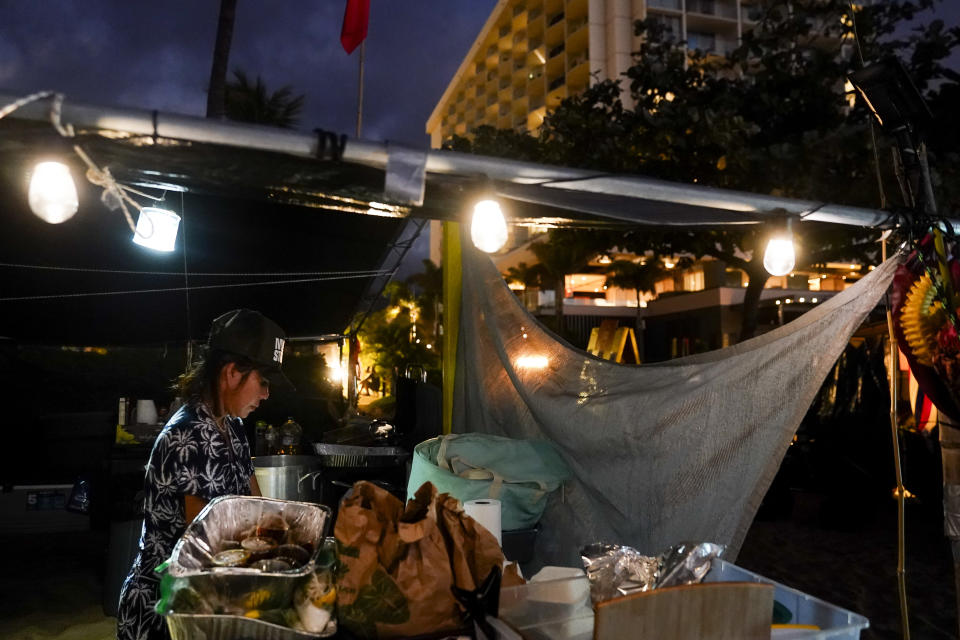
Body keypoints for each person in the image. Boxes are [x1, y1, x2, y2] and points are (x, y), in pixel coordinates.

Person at [117, 309, 292, 640]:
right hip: (167, 608)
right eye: (263, 381)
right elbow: (206, 540)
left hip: (209, 599)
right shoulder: (187, 436)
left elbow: (257, 507)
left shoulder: (233, 427)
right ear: (231, 373)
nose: (267, 394)